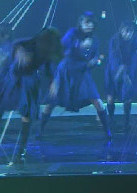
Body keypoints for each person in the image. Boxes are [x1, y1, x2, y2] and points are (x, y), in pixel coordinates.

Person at [0, 27, 63, 161]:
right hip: (15, 77)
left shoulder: (47, 52)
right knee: (4, 103)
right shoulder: (31, 42)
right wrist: (19, 51)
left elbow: (49, 69)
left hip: (29, 81)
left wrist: (53, 82)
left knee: (27, 115)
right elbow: (16, 43)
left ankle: (21, 148)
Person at [38, 12, 111, 140]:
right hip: (66, 71)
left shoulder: (94, 39)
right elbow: (62, 48)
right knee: (51, 102)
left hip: (82, 73)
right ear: (81, 23)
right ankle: (39, 131)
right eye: (86, 22)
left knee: (97, 101)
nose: (89, 25)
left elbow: (95, 56)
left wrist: (94, 61)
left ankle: (107, 132)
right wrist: (79, 45)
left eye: (91, 23)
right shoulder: (72, 33)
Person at [105, 21, 137, 133]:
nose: (128, 34)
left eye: (131, 32)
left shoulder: (135, 40)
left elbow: (134, 58)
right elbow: (112, 57)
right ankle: (110, 120)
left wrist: (128, 74)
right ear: (121, 30)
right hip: (113, 70)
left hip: (128, 69)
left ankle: (127, 122)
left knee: (128, 95)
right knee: (111, 96)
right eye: (126, 31)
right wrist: (119, 71)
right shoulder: (114, 40)